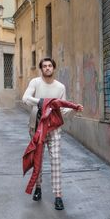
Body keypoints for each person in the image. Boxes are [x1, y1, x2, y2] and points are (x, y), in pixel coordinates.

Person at [22, 57, 83, 210]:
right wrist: (44, 102)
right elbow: (25, 98)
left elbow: (62, 109)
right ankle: (38, 188)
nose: (47, 68)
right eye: (44, 66)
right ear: (41, 69)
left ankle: (58, 196)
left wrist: (74, 110)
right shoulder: (35, 82)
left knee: (55, 160)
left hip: (54, 128)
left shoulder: (60, 87)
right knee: (38, 160)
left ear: (53, 68)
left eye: (50, 66)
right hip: (36, 127)